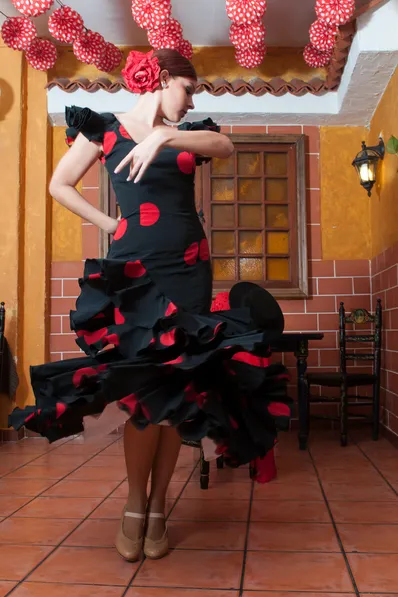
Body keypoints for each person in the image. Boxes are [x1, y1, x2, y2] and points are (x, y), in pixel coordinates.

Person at [9, 49, 292, 562]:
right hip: (135, 272)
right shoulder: (104, 128)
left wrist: (165, 134)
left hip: (189, 269)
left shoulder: (188, 131)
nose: (191, 101)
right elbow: (58, 184)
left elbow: (224, 145)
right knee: (142, 398)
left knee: (176, 397)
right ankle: (136, 504)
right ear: (162, 80)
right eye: (188, 89)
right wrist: (111, 225)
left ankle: (159, 505)